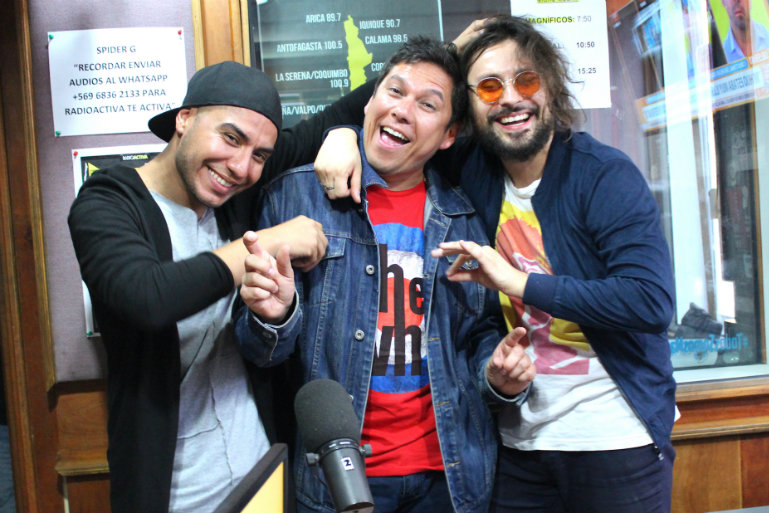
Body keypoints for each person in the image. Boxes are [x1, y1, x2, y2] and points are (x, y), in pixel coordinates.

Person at [316, 15, 678, 513]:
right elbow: (406, 120)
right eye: (489, 87)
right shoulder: (472, 169)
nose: (509, 98)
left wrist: (518, 282)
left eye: (525, 80)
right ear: (470, 111)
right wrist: (343, 133)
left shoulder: (603, 174)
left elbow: (650, 302)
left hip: (614, 438)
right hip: (514, 443)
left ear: (550, 87)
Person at [234, 37, 536, 513]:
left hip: (450, 476)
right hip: (335, 478)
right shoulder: (295, 198)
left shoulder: (463, 217)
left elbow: (477, 333)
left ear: (449, 134)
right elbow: (260, 354)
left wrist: (497, 376)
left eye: (427, 104)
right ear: (370, 101)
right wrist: (274, 316)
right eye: (394, 91)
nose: (402, 110)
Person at [67, 60, 373, 513]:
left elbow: (341, 113)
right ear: (184, 119)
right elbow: (147, 298)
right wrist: (270, 240)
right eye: (230, 138)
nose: (241, 166)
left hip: (262, 479)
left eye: (260, 156)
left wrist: (344, 134)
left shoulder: (234, 190)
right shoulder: (108, 200)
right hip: (175, 493)